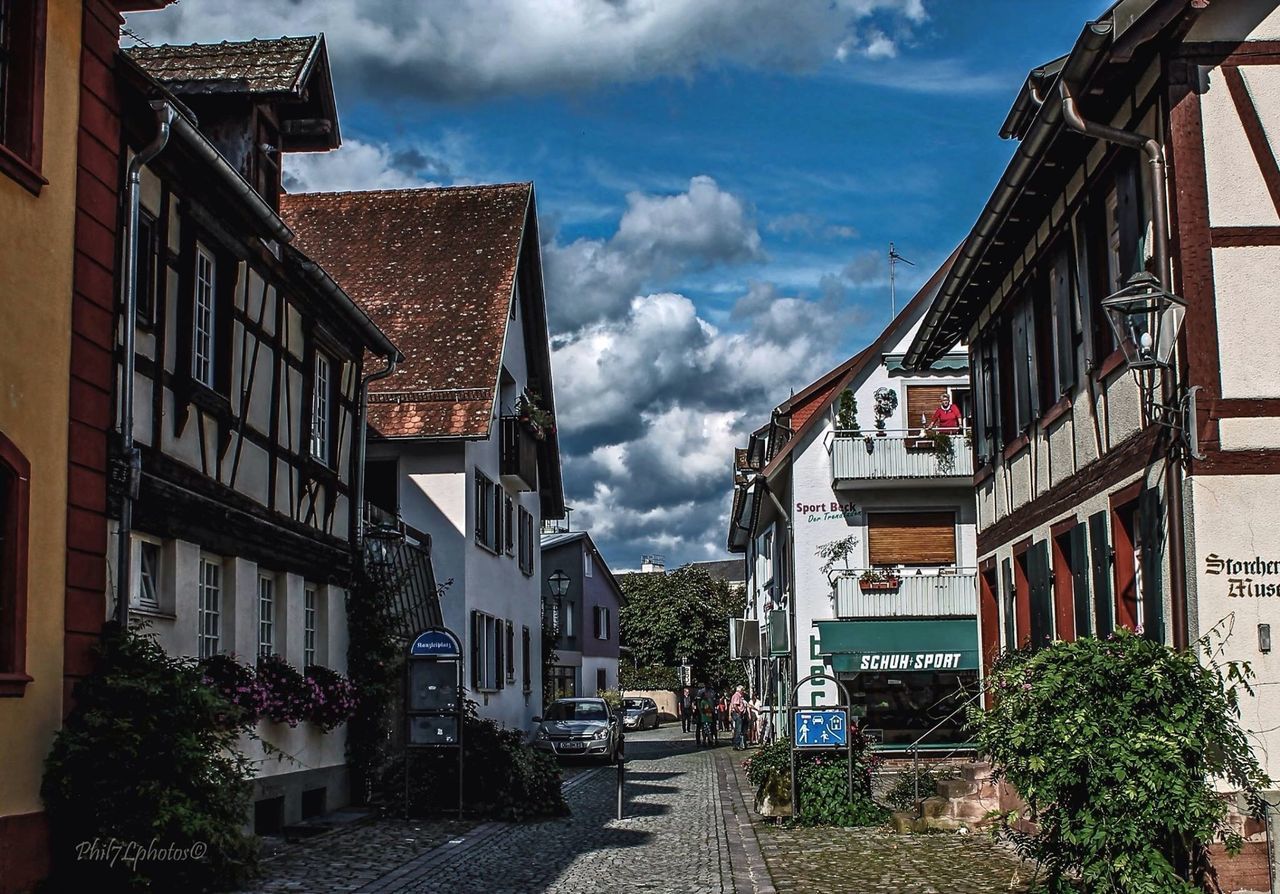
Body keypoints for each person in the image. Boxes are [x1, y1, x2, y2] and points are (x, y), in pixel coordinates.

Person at [729, 685, 748, 750]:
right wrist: (739, 712)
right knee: (738, 730)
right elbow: (734, 705)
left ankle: (740, 744)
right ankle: (736, 745)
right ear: (740, 690)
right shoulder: (736, 695)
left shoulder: (740, 696)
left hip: (740, 714)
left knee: (740, 729)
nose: (743, 691)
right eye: (742, 690)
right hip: (737, 714)